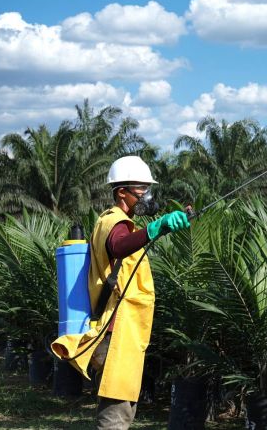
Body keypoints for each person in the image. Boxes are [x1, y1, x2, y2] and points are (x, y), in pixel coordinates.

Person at [52, 155, 190, 429]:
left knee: (124, 405)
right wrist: (157, 227)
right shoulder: (114, 221)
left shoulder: (121, 222)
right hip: (115, 330)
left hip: (125, 330)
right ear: (122, 191)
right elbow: (119, 246)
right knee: (116, 410)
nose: (146, 194)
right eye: (141, 188)